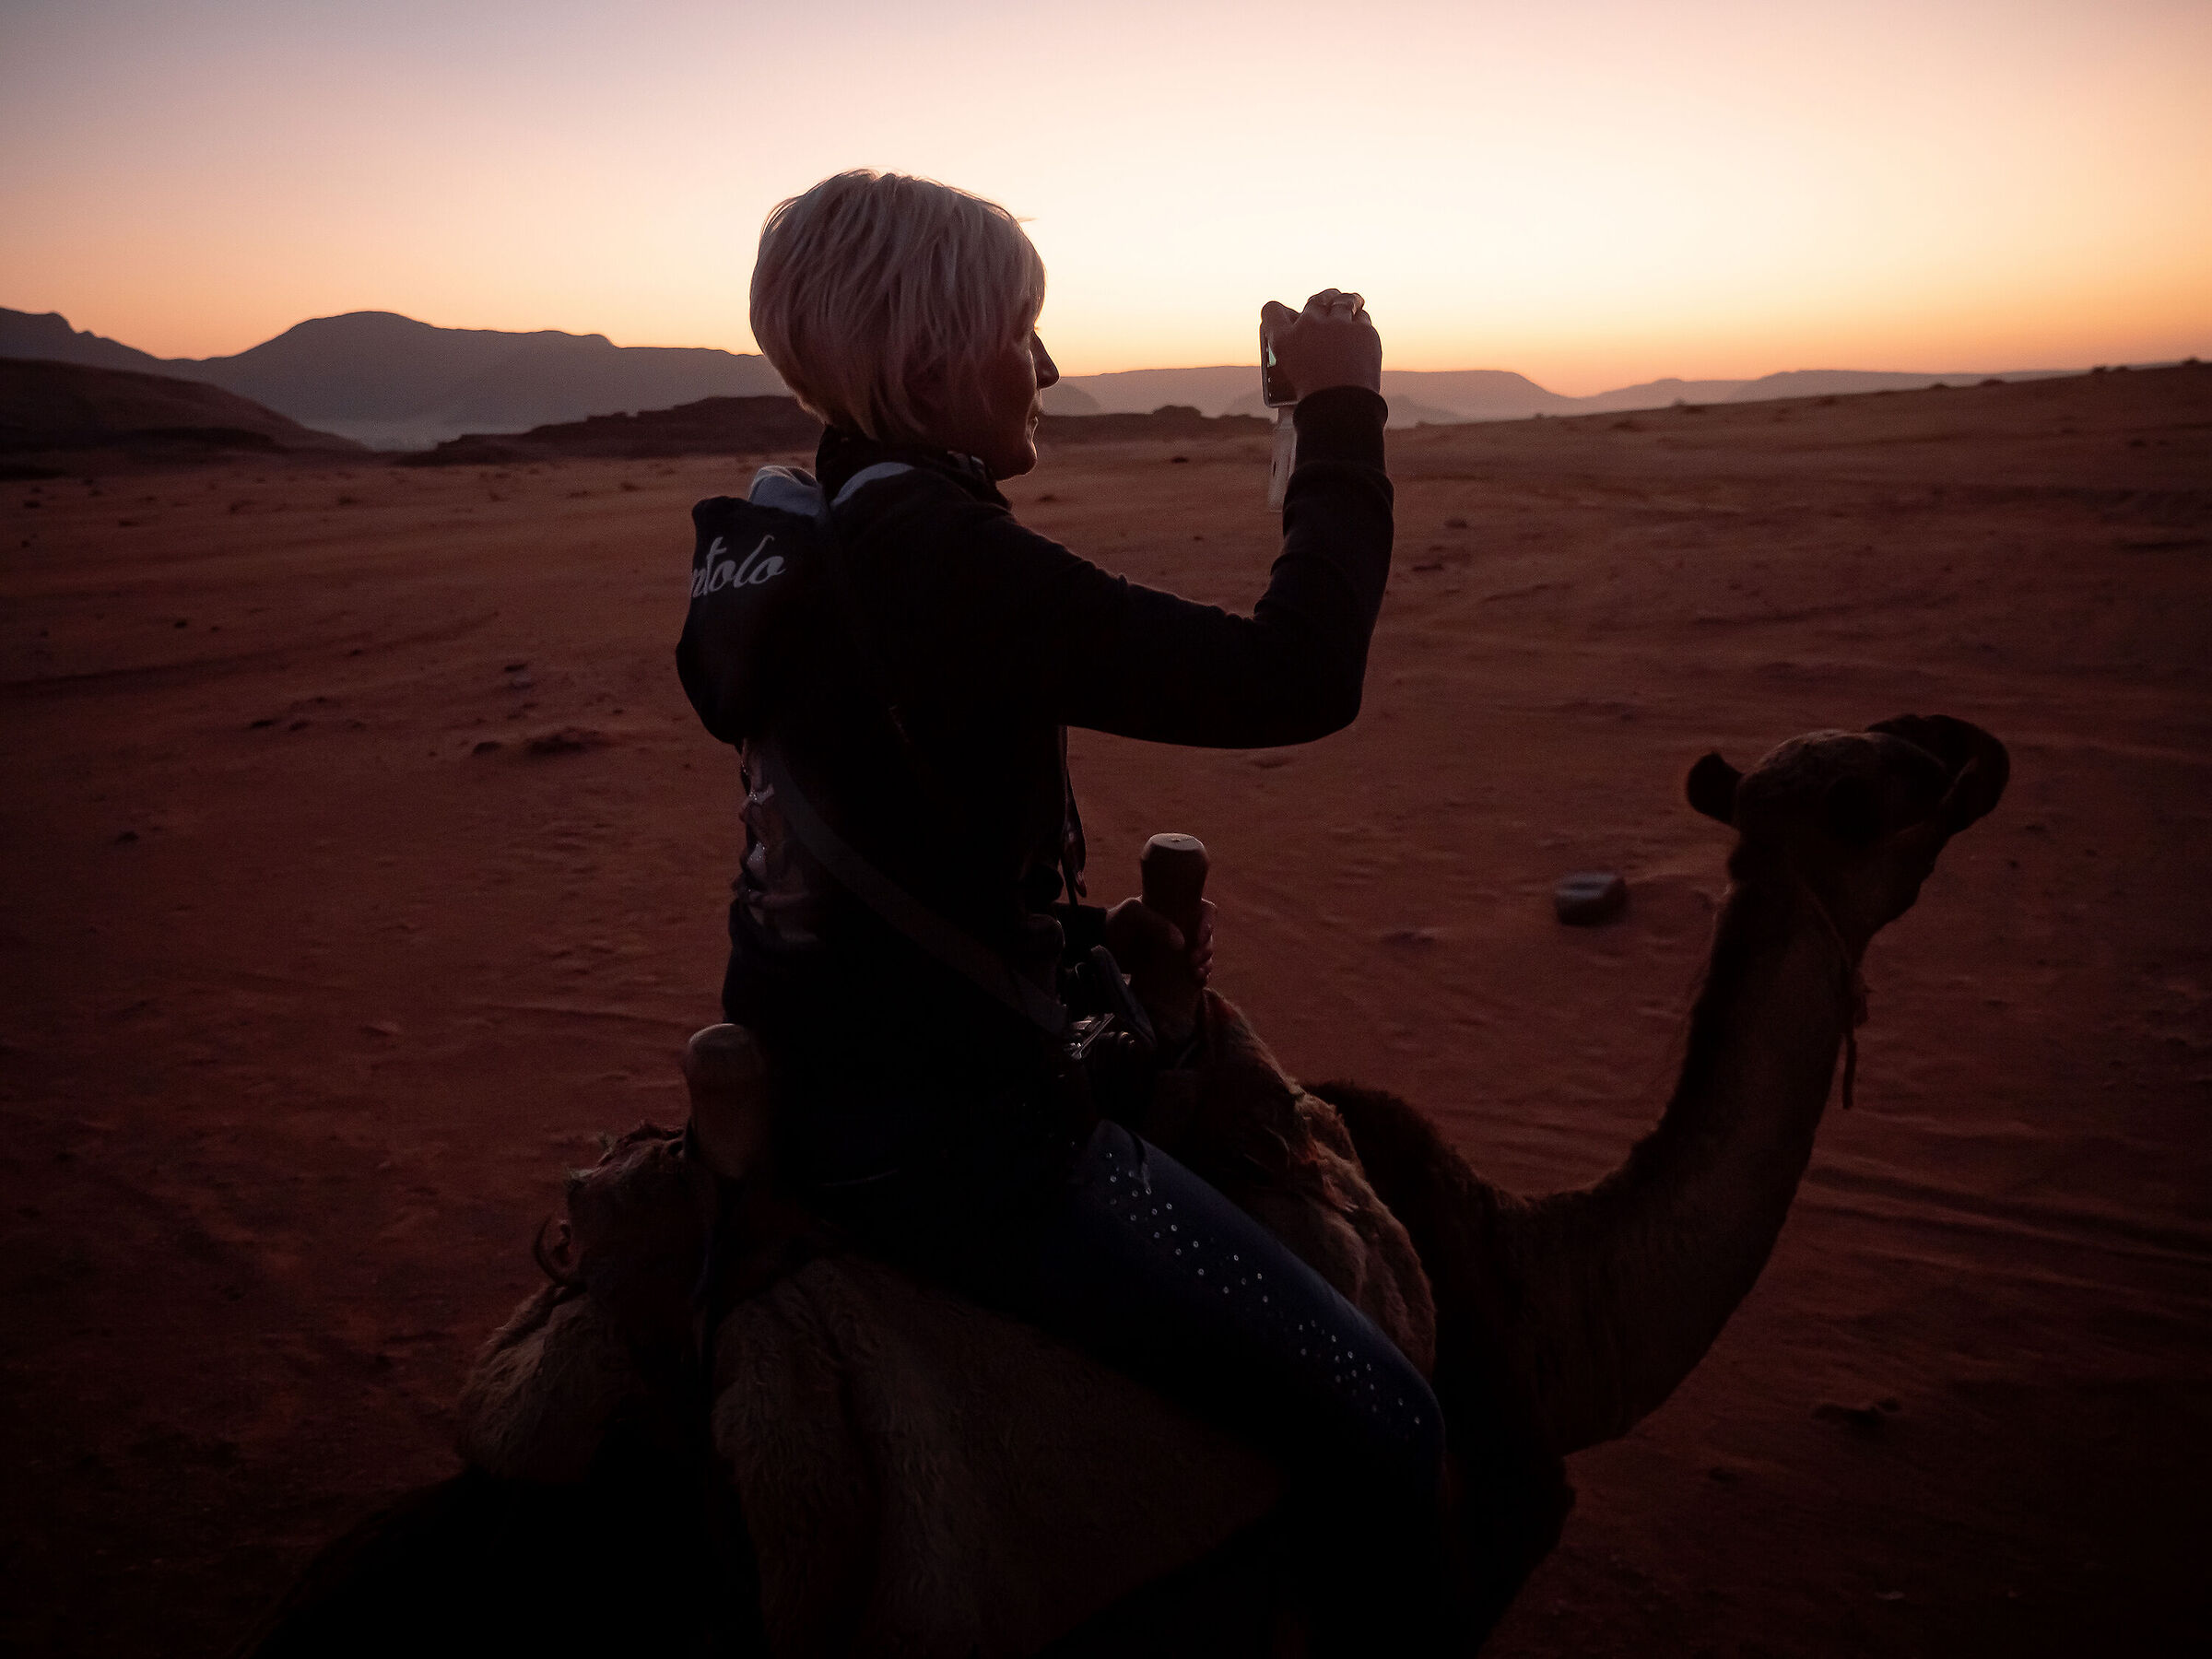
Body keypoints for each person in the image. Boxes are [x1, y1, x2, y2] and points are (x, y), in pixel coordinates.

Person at [688, 169, 1444, 1638]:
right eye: (1016, 333)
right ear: (924, 354)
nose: (1041, 369)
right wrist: (1342, 415)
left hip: (823, 1094)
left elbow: (890, 828)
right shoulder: (937, 555)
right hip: (966, 1147)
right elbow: (1295, 676)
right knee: (1393, 1425)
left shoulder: (806, 528)